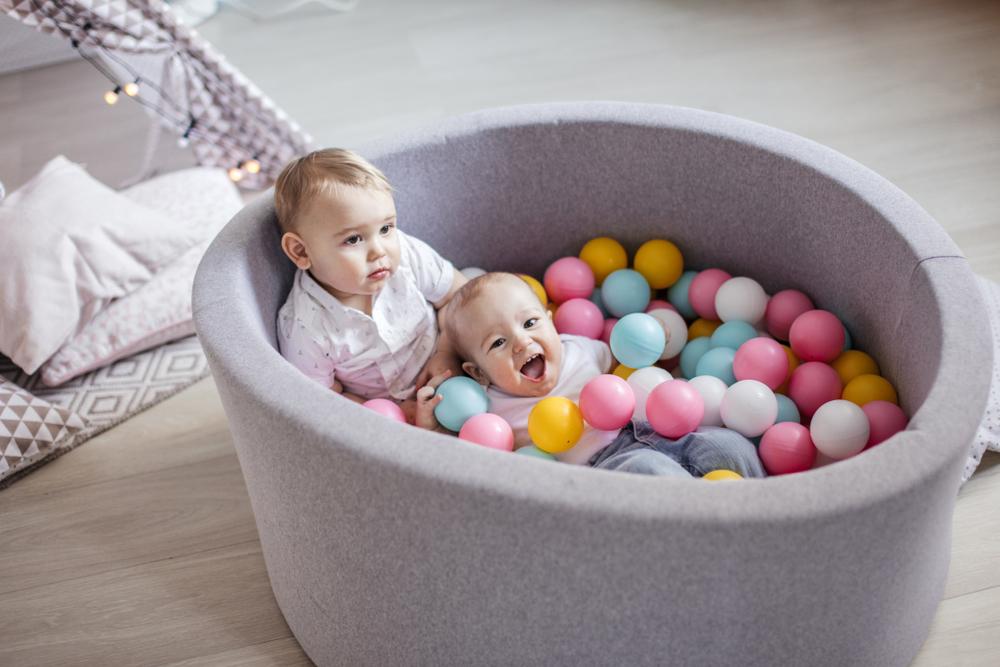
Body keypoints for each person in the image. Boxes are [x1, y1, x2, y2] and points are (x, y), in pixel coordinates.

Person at [438, 272, 765, 477]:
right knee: (651, 473)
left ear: (552, 322)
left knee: (730, 446)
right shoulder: (489, 407)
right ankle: (707, 541)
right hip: (603, 470)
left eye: (530, 323)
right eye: (498, 342)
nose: (522, 342)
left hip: (654, 430)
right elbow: (463, 452)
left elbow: (628, 364)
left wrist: (658, 348)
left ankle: (761, 517)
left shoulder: (579, 349)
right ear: (478, 373)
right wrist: (429, 422)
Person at [273, 148, 465, 427]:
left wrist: (447, 351)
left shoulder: (407, 255)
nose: (379, 251)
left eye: (386, 229)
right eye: (353, 240)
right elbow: (322, 400)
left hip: (454, 361)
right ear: (301, 251)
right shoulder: (305, 327)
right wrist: (394, 414)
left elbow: (456, 296)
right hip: (393, 419)